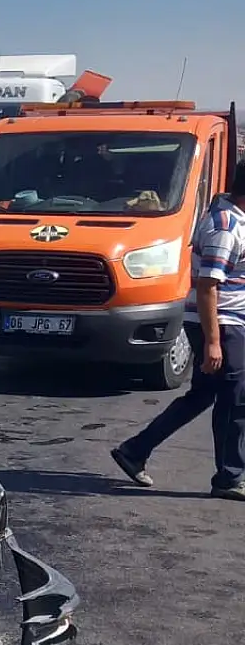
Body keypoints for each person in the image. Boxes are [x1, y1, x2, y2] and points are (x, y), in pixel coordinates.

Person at [112, 159, 245, 499]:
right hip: (223, 324)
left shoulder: (234, 220)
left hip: (225, 322)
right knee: (234, 401)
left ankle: (135, 450)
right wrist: (214, 343)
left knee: (202, 395)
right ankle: (229, 478)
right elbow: (207, 286)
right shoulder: (226, 226)